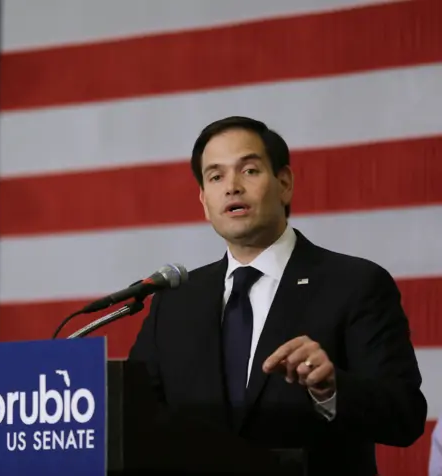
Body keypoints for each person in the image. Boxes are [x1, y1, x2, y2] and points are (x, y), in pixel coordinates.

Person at [128, 116, 427, 475]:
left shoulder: (355, 284)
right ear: (205, 202)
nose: (232, 187)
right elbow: (133, 415)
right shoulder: (175, 302)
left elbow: (404, 416)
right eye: (216, 176)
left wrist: (330, 389)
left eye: (249, 170)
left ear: (284, 183)